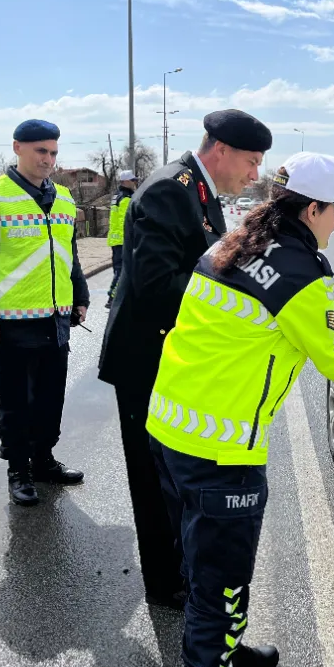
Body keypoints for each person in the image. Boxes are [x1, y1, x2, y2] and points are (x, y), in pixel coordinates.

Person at [147, 152, 334, 667]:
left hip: (172, 424)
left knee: (203, 561)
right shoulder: (304, 272)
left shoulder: (238, 243)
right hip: (220, 448)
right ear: (314, 208)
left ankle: (223, 653)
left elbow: (275, 321)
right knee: (220, 574)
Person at [98, 109, 272, 611]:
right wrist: (232, 299)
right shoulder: (168, 190)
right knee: (154, 482)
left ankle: (178, 571)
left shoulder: (195, 189)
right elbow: (157, 287)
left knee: (171, 477)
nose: (254, 174)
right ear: (221, 150)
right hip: (144, 357)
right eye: (251, 161)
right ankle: (164, 581)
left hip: (166, 355)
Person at [0, 120, 90, 507]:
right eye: (40, 151)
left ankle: (44, 460)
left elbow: (70, 254)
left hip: (56, 318)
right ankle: (19, 469)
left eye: (52, 152)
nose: (48, 160)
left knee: (51, 397)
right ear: (17, 148)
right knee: (17, 400)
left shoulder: (64, 197)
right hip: (12, 321)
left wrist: (79, 296)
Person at [105, 169, 137, 309]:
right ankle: (113, 297)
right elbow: (128, 221)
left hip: (116, 239)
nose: (135, 183)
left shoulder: (117, 196)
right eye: (133, 180)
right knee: (121, 270)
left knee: (119, 269)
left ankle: (119, 295)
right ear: (125, 181)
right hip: (123, 240)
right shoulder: (125, 199)